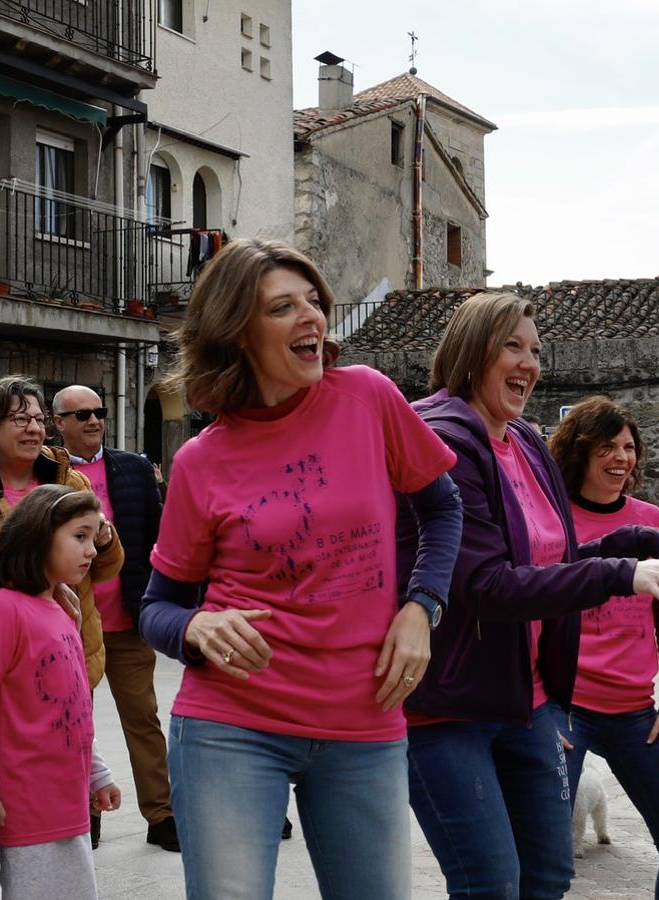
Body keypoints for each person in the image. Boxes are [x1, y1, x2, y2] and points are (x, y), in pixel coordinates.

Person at [138, 239, 464, 900]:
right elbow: (157, 606)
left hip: (363, 720)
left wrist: (421, 606)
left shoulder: (368, 399)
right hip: (231, 726)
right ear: (238, 333)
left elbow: (444, 509)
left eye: (314, 301)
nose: (311, 318)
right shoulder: (202, 460)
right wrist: (197, 628)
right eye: (283, 308)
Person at [398, 291, 659, 900]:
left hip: (533, 701)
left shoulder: (522, 442)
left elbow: (560, 559)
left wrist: (641, 545)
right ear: (471, 352)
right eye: (512, 347)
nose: (529, 363)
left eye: (536, 350)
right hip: (451, 706)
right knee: (491, 883)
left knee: (548, 875)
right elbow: (485, 586)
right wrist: (623, 574)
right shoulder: (444, 439)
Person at [546, 396, 659, 900]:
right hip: (568, 711)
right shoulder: (553, 517)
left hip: (637, 711)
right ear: (579, 451)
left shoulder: (651, 519)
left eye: (629, 447)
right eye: (608, 446)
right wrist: (545, 710)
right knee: (547, 852)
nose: (622, 457)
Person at [0, 485, 121, 900]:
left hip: (68, 805)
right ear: (38, 534)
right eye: (79, 536)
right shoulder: (1, 611)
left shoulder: (62, 609)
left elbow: (73, 709)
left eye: (94, 537)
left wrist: (97, 773)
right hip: (22, 810)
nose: (91, 550)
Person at [53, 384, 179, 852]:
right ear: (59, 423)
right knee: (70, 724)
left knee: (143, 717)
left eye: (98, 412)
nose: (92, 421)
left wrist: (156, 600)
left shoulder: (133, 468)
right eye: (80, 414)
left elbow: (156, 535)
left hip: (127, 619)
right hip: (69, 624)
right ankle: (84, 817)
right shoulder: (50, 471)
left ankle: (162, 816)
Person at [0, 375, 122, 690]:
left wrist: (105, 540)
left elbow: (104, 570)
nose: (34, 429)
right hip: (4, 650)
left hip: (72, 645)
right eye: (20, 419)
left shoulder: (70, 481)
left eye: (38, 419)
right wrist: (50, 578)